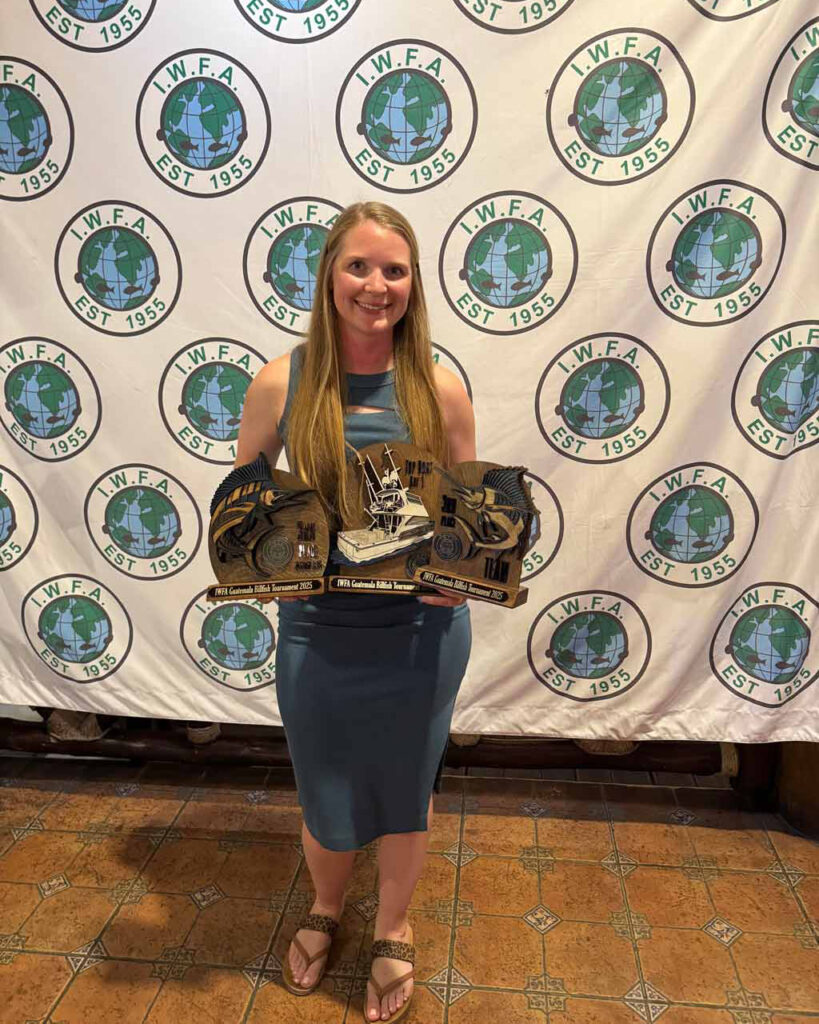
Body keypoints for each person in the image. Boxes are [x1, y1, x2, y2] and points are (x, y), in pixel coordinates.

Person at [233, 201, 475, 1022]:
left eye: (395, 270)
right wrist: (271, 575)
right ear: (329, 277)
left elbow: (467, 521)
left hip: (418, 632)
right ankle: (328, 909)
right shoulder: (280, 380)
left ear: (413, 284)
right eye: (359, 267)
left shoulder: (438, 384)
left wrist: (459, 575)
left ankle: (394, 927)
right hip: (319, 629)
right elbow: (247, 510)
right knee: (324, 783)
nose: (377, 286)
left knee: (408, 787)